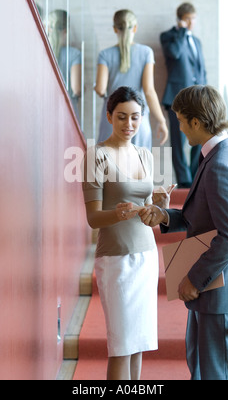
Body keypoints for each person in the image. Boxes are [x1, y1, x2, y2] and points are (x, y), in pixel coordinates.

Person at [139, 85, 228, 380]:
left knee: (213, 373)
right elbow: (206, 217)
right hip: (218, 288)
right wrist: (165, 214)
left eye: (181, 120)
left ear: (197, 122)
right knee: (205, 368)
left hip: (218, 289)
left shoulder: (219, 164)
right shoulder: (221, 154)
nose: (179, 128)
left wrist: (194, 279)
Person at [82, 86, 173, 380]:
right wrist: (117, 213)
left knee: (138, 346)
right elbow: (94, 219)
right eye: (122, 117)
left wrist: (160, 208)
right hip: (116, 261)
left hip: (146, 256)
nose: (129, 125)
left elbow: (147, 215)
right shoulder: (96, 156)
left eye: (135, 118)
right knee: (121, 346)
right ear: (109, 116)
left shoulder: (145, 155)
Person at [95, 10, 168, 150]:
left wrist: (97, 88)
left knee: (107, 165)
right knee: (139, 166)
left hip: (112, 117)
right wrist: (161, 120)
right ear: (135, 28)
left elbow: (100, 89)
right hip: (136, 117)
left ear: (115, 29)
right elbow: (149, 91)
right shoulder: (146, 52)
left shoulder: (104, 55)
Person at [160, 3, 207, 188]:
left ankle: (195, 176)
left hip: (197, 99)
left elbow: (202, 70)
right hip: (176, 97)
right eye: (188, 18)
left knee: (199, 138)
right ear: (180, 19)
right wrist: (181, 31)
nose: (191, 22)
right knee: (178, 141)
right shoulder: (169, 37)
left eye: (193, 18)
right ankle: (184, 180)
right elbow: (175, 53)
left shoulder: (197, 42)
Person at [48, 10, 81, 119]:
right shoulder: (74, 54)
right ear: (66, 30)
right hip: (67, 110)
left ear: (48, 28)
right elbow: (76, 89)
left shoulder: (39, 52)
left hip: (45, 106)